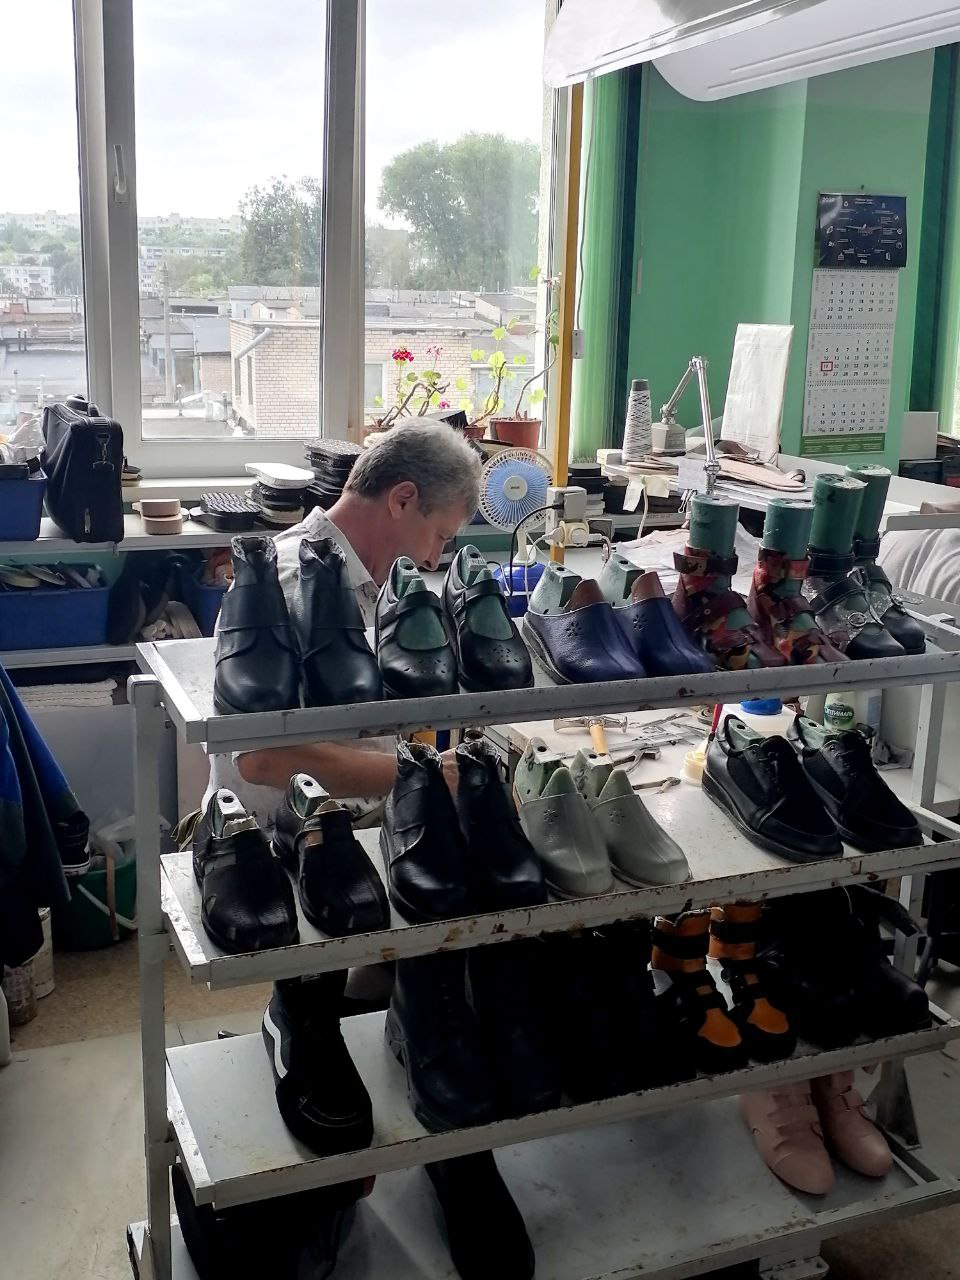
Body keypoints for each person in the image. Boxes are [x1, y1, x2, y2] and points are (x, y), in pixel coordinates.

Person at [202, 421, 481, 831]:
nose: (433, 559)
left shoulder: (374, 584)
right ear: (402, 500)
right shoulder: (286, 584)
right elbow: (263, 758)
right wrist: (423, 772)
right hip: (280, 841)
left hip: (352, 820)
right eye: (440, 536)